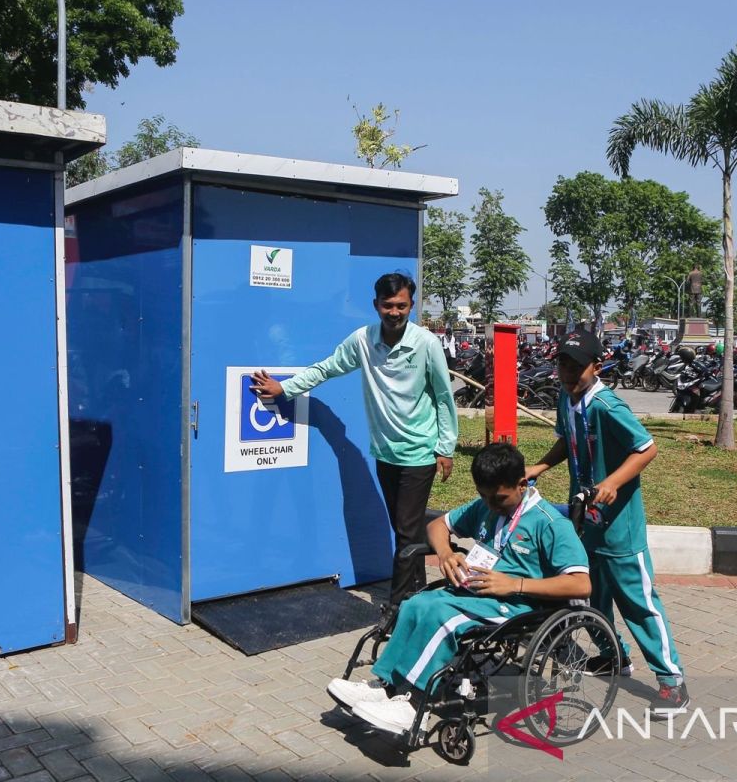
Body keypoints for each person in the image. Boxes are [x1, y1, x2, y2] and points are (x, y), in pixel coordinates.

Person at [326, 442, 590, 734]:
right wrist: (446, 553)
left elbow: (581, 584)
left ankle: (414, 706)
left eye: (499, 499)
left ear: (521, 484)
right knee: (416, 604)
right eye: (484, 496)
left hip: (518, 604)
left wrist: (515, 583)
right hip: (475, 593)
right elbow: (438, 525)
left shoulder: (550, 524)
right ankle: (386, 686)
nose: (490, 505)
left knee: (444, 618)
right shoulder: (485, 506)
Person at [250, 272, 458, 606]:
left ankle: (399, 608)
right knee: (406, 528)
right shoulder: (363, 340)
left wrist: (445, 447)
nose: (394, 312)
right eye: (388, 305)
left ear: (412, 305)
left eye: (401, 306)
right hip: (385, 452)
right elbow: (328, 367)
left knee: (405, 532)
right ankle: (419, 595)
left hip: (419, 453)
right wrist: (284, 388)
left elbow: (443, 397)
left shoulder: (426, 344)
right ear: (376, 305)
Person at [524, 327, 690, 713]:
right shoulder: (567, 400)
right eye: (562, 363)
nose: (567, 372)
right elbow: (568, 441)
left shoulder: (607, 406)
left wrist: (613, 482)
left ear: (596, 367)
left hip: (619, 527)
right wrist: (540, 466)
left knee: (638, 602)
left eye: (576, 367)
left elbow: (647, 448)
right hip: (586, 520)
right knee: (591, 595)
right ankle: (616, 655)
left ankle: (672, 682)